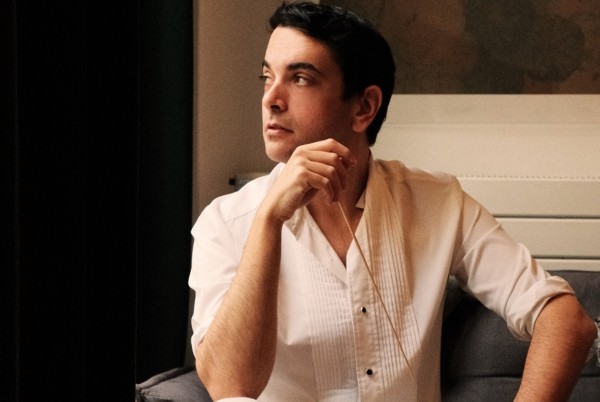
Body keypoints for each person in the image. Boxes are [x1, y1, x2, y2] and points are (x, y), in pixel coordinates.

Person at [188, 2, 597, 401]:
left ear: (364, 107)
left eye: (300, 78)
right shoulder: (225, 223)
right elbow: (228, 387)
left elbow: (567, 320)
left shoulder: (438, 203)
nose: (271, 99)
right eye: (267, 77)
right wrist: (269, 220)